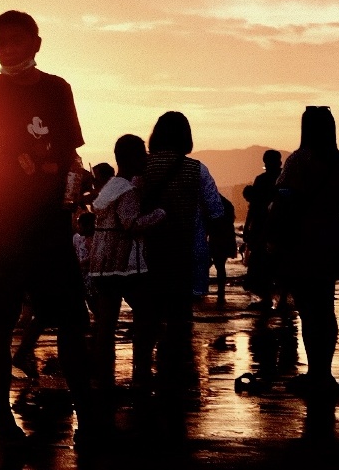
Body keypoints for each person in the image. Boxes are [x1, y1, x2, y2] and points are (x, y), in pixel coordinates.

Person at [0, 10, 94, 454]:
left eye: (16, 42)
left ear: (36, 44)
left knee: (73, 321)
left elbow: (71, 157)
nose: (8, 50)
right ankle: (3, 422)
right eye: (0, 44)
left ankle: (88, 417)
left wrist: (76, 200)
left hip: (50, 227)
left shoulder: (58, 90)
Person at [272, 106, 339, 402]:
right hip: (330, 242)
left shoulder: (299, 161)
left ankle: (315, 374)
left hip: (301, 243)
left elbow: (283, 202)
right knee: (325, 308)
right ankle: (325, 372)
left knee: (308, 312)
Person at [143, 111, 224, 394]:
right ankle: (174, 373)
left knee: (149, 313)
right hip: (186, 251)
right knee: (179, 315)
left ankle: (146, 372)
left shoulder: (143, 167)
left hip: (148, 252)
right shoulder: (197, 169)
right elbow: (215, 209)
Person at [88, 134, 165, 398]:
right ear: (132, 158)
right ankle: (141, 370)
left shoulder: (112, 185)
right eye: (142, 153)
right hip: (124, 264)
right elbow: (131, 223)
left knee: (106, 323)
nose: (146, 158)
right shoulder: (128, 190)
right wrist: (160, 214)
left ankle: (101, 376)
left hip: (101, 264)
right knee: (148, 314)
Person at [242, 150, 283, 311]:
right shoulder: (282, 179)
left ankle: (268, 299)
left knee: (261, 265)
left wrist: (247, 226)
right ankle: (279, 299)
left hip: (265, 229)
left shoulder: (264, 180)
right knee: (276, 264)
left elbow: (253, 207)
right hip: (279, 228)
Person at [207, 195, 237, 304]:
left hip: (217, 239)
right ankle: (221, 291)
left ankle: (205, 288)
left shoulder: (213, 205)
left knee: (213, 264)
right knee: (220, 266)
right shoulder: (227, 205)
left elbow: (209, 224)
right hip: (226, 239)